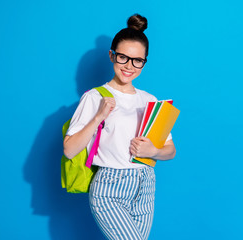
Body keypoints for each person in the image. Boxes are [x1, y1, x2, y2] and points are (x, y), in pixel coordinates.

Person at [63, 14, 176, 240]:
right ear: (112, 55)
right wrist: (98, 117)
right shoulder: (95, 97)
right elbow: (69, 150)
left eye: (137, 60)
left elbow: (170, 150)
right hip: (110, 188)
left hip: (145, 186)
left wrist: (153, 151)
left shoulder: (150, 101)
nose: (129, 66)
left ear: (144, 62)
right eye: (123, 57)